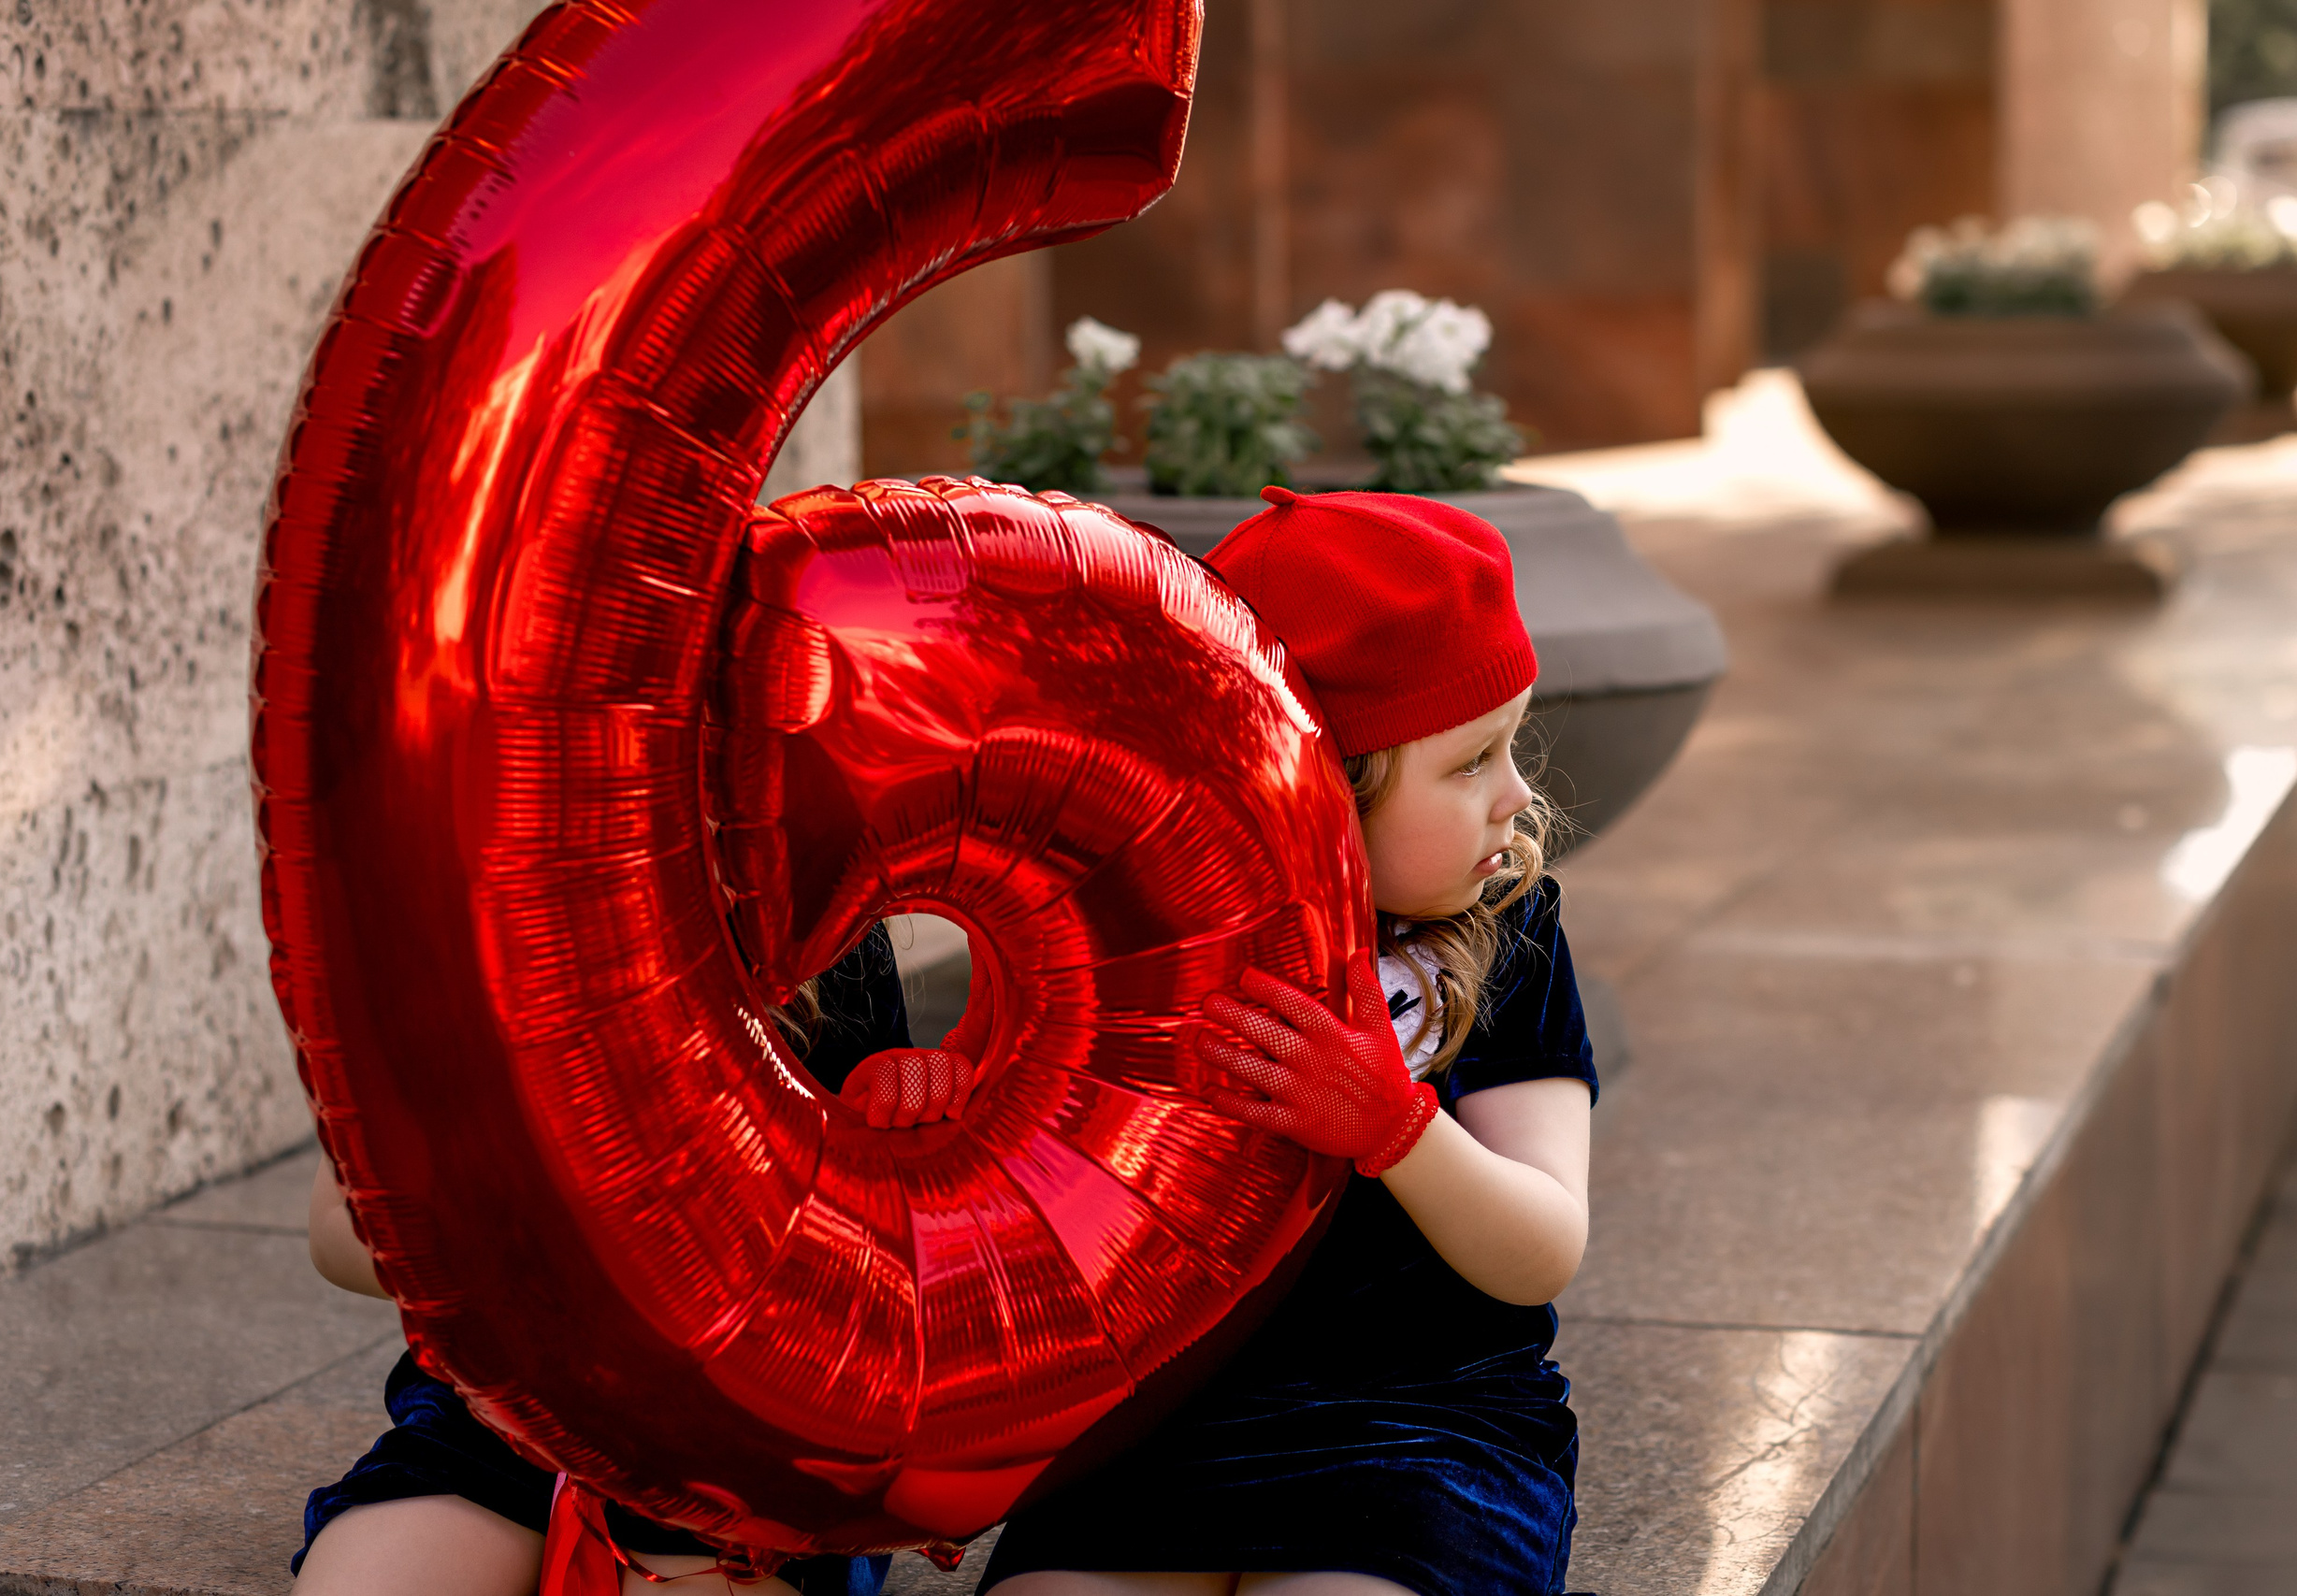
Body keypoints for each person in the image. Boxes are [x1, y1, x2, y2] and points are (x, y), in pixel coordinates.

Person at [975, 486, 1596, 1596]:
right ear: (1322, 793)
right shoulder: (1137, 946)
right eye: (1469, 763)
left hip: (1422, 1431)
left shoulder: (1510, 932)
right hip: (1160, 1436)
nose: (1516, 795)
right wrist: (942, 1106)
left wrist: (1397, 1129)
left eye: (1512, 746)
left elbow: (1540, 1249)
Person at [293, 924, 979, 1596]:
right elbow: (335, 1225)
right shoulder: (459, 918)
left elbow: (899, 1251)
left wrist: (911, 1108)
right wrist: (520, 1243)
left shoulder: (827, 931)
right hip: (502, 1415)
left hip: (749, 1444)